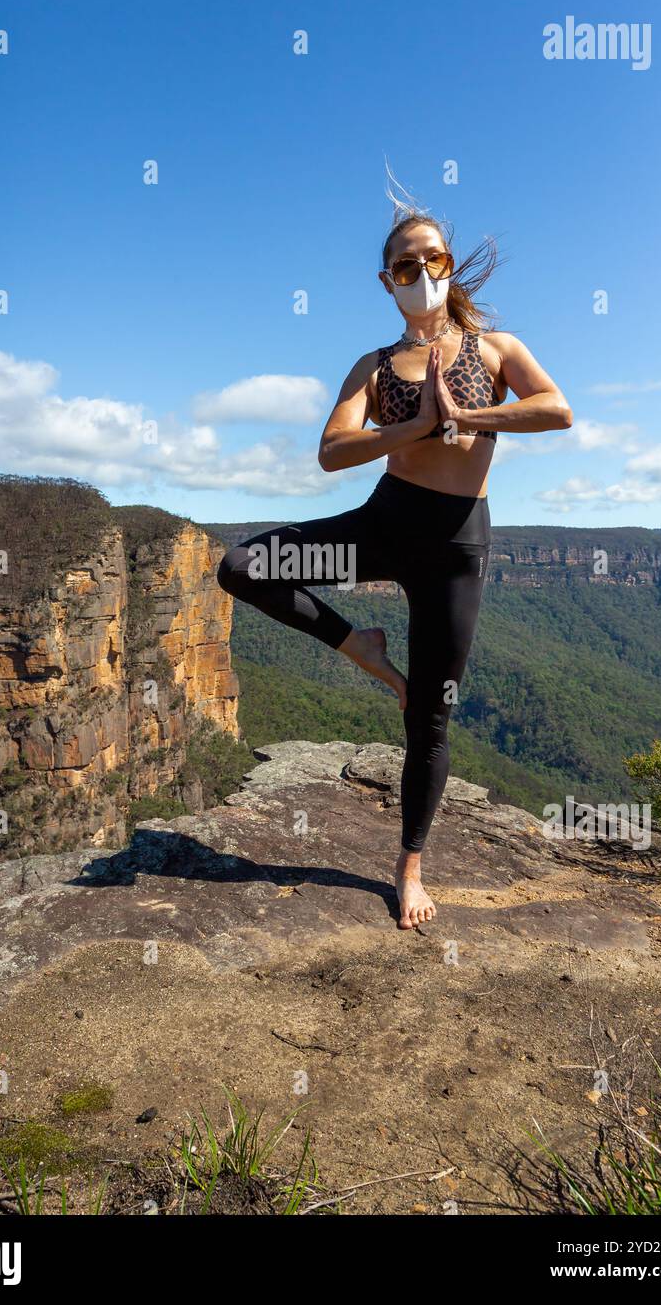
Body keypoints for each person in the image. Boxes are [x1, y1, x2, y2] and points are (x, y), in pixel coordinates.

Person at [217, 189, 572, 929]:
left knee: (430, 716)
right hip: (383, 525)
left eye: (430, 259)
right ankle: (363, 648)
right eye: (403, 264)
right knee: (244, 567)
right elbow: (330, 450)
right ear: (386, 281)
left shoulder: (496, 349)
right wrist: (409, 427)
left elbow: (554, 408)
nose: (419, 271)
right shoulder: (375, 366)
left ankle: (408, 868)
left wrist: (464, 416)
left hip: (453, 546)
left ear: (449, 267)